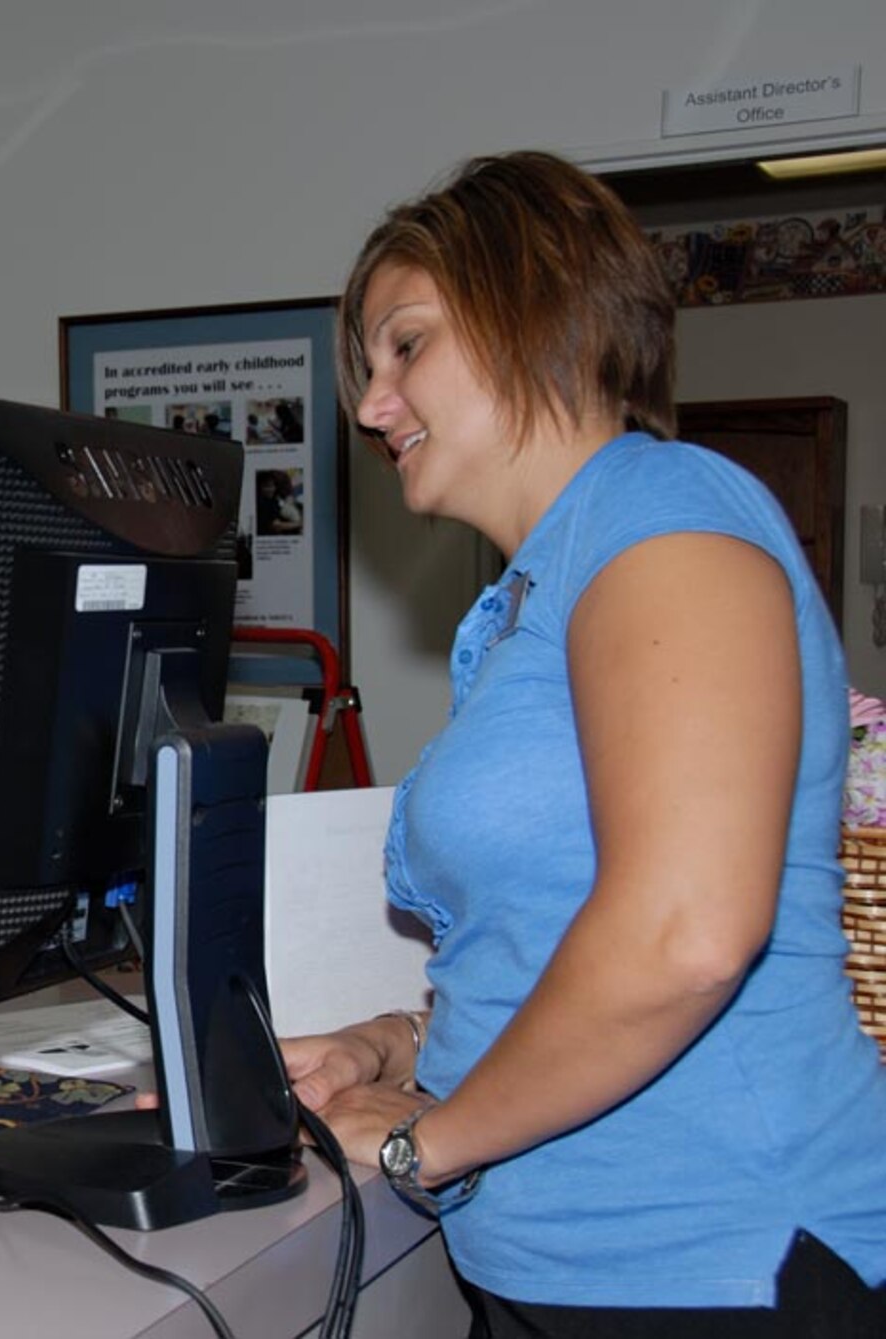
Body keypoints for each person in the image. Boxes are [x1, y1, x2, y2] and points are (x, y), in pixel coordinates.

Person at [283, 150, 886, 1335]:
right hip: (570, 1261)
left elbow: (684, 936)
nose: (369, 404)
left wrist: (423, 1140)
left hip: (710, 1260)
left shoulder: (664, 518)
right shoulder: (533, 593)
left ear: (535, 307)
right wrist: (389, 1041)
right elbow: (545, 935)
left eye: (405, 344)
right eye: (367, 366)